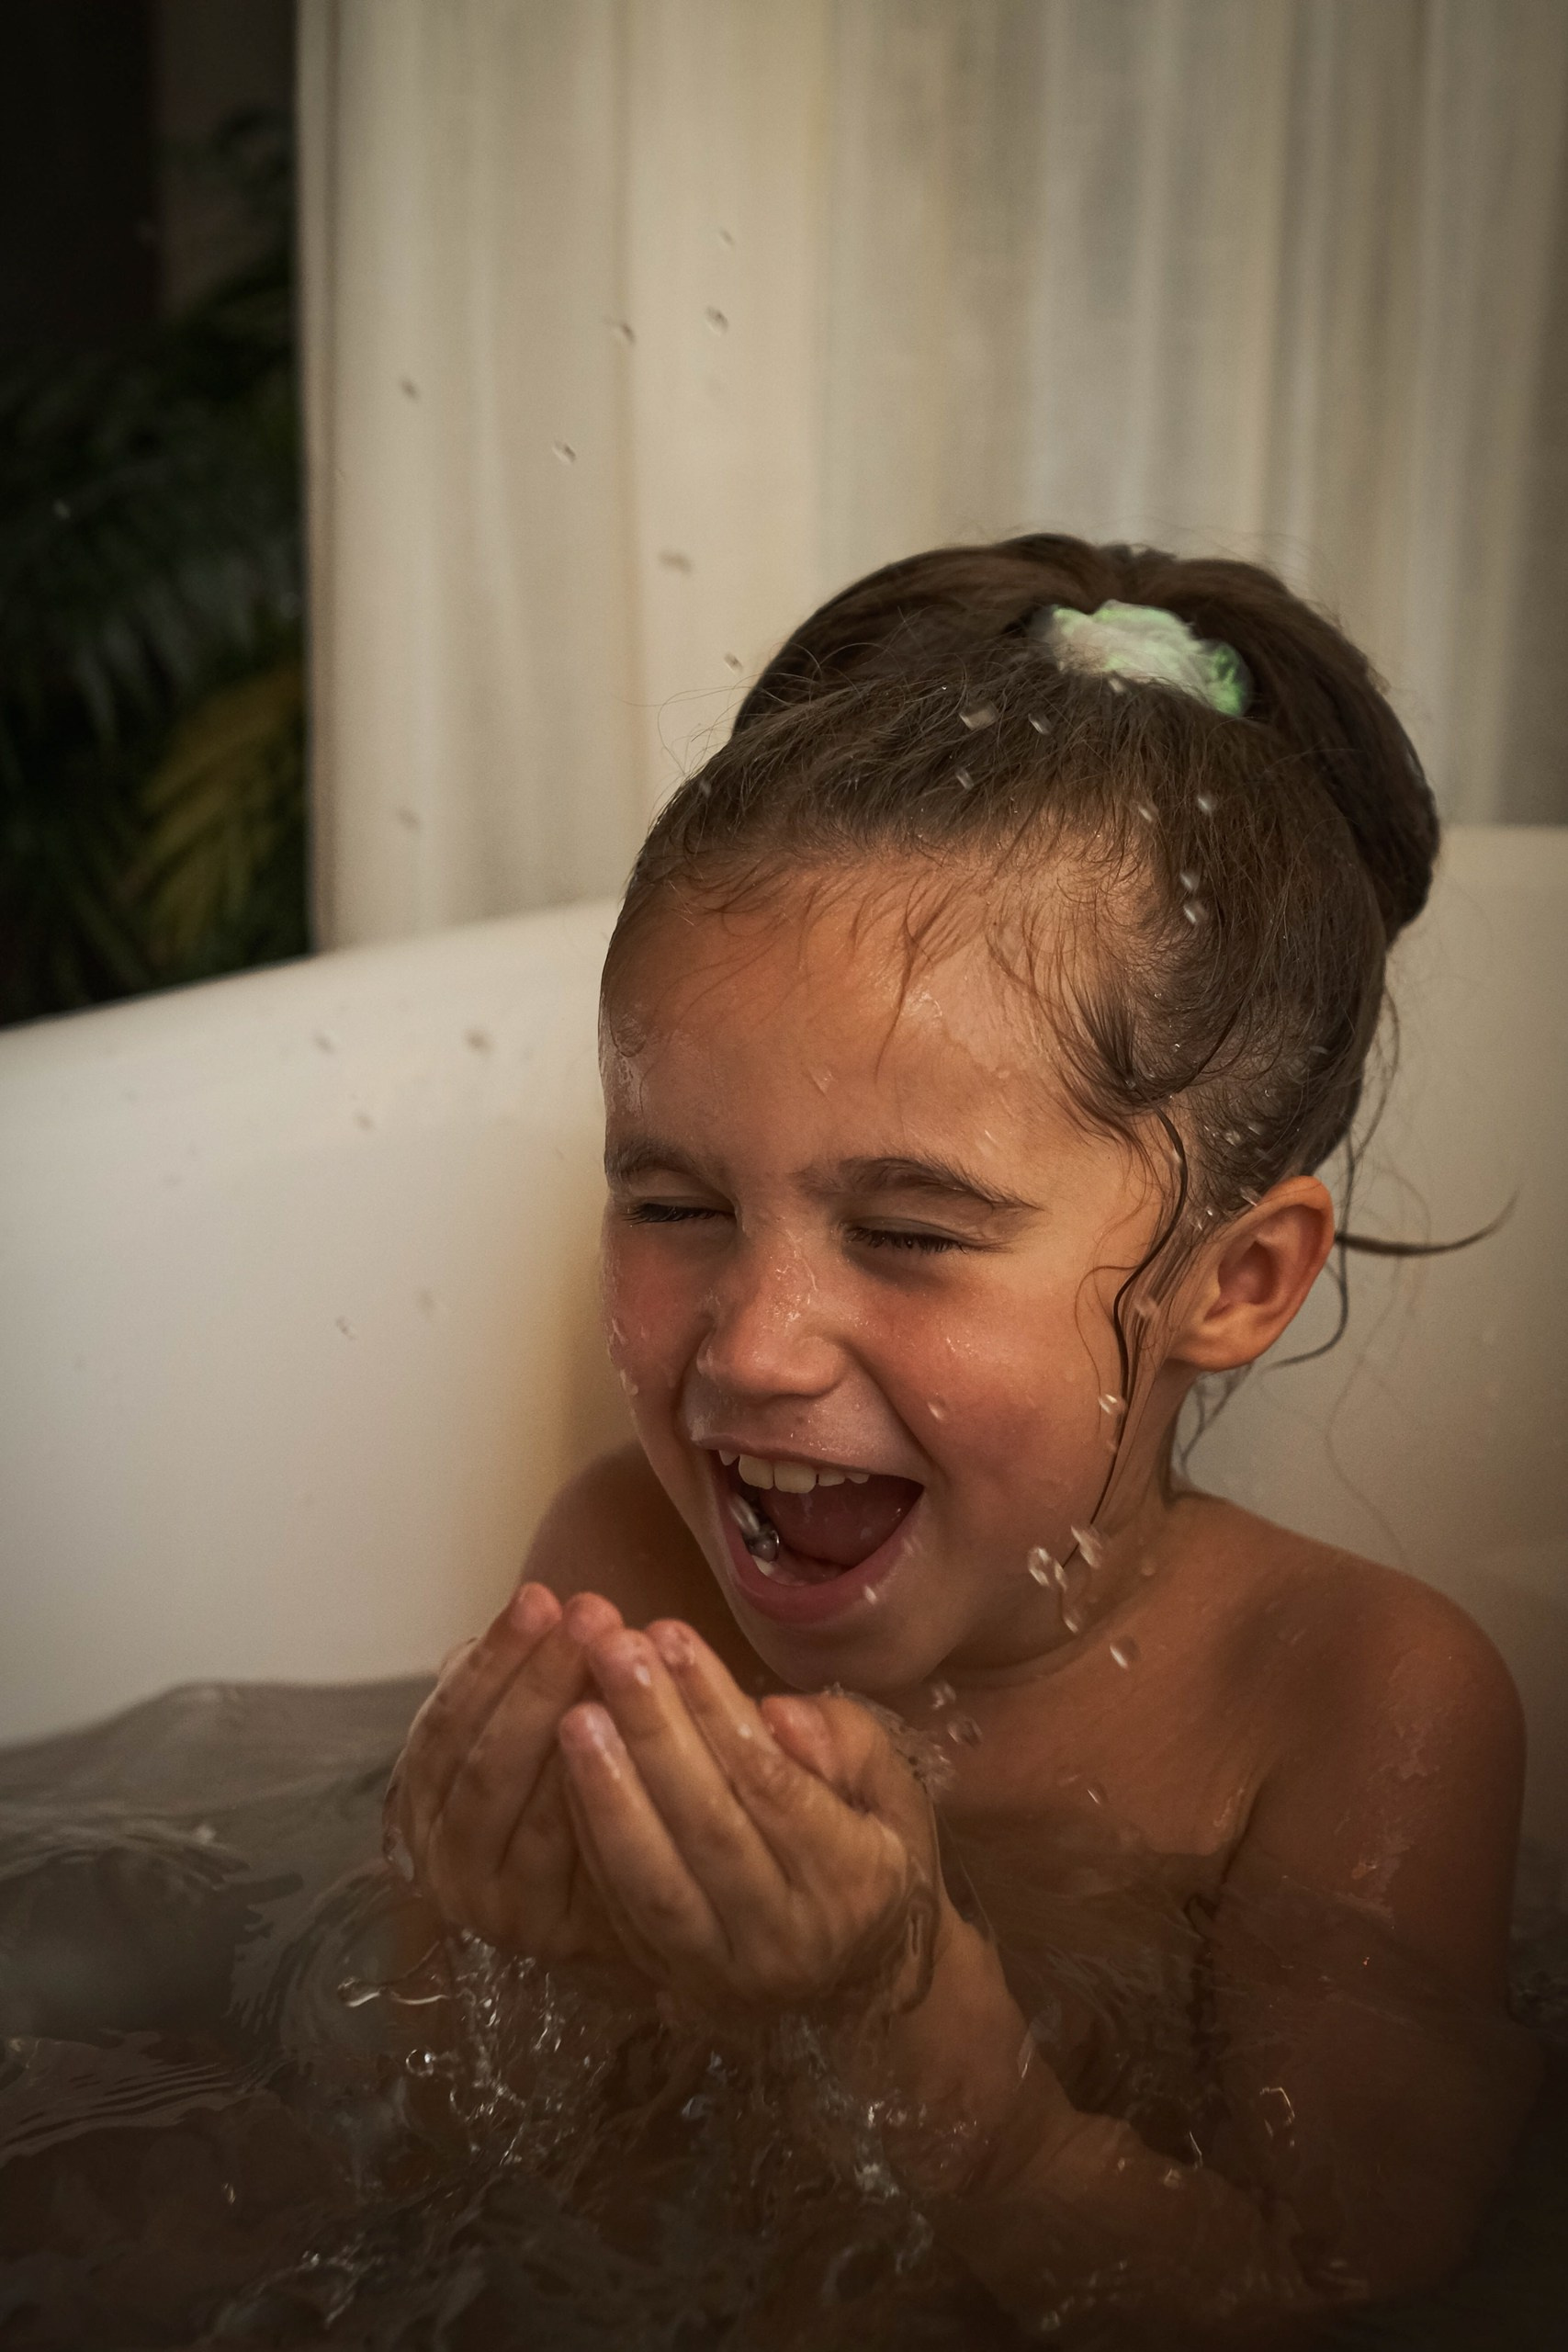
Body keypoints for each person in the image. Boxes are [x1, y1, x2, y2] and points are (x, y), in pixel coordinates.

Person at [385, 537, 1538, 2345]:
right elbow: (479, 2225)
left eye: (908, 1230)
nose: (752, 1349)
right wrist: (500, 1962)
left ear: (1229, 1280)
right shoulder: (620, 1569)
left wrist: (905, 2022)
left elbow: (1349, 2302)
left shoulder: (1352, 1700)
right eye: (673, 1199)